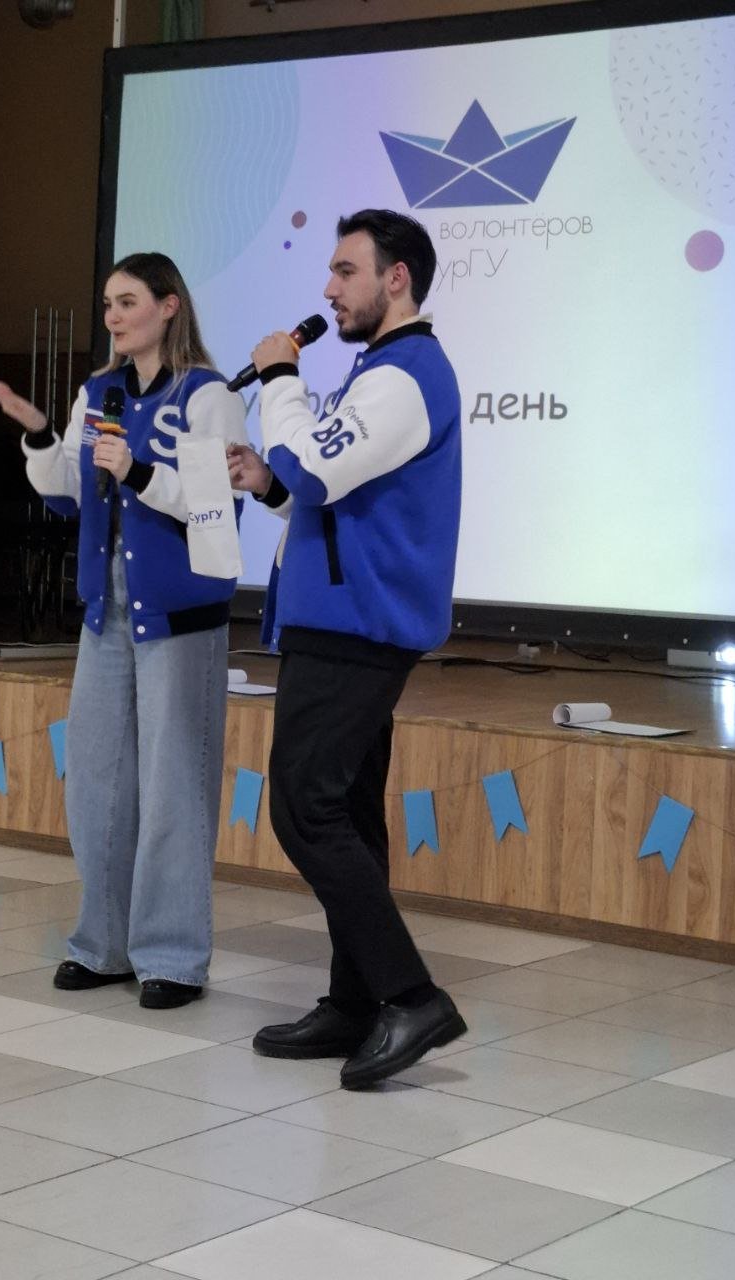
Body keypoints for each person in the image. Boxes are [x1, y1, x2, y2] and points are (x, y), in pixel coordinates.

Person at [227, 209, 466, 1086]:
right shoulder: (379, 373)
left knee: (304, 807)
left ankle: (412, 995)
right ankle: (356, 999)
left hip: (357, 625)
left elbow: (319, 467)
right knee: (350, 812)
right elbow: (319, 491)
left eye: (345, 271)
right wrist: (270, 483)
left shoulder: (405, 376)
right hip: (340, 618)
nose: (328, 290)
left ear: (396, 278)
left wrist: (280, 377)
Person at [0, 252, 247, 1009]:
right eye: (107, 303)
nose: (113, 316)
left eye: (128, 301)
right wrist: (41, 434)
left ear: (169, 306)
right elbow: (69, 491)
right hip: (106, 607)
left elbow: (215, 508)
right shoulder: (98, 392)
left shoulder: (208, 396)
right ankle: (102, 944)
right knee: (98, 782)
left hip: (179, 613)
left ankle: (172, 956)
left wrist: (138, 472)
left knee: (173, 786)